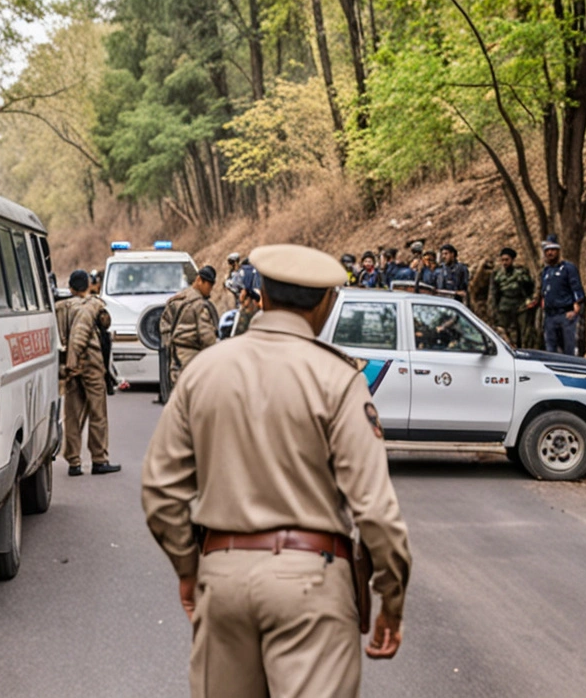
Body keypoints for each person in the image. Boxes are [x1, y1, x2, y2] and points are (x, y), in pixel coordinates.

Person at [141, 243, 412, 698]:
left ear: (260, 294)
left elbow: (160, 491)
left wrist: (190, 569)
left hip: (222, 577)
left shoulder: (206, 369)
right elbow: (376, 510)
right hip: (312, 582)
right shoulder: (339, 379)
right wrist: (392, 599)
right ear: (326, 303)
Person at [60, 270, 120, 476]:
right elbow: (104, 324)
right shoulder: (93, 306)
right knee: (98, 413)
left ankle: (74, 462)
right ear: (87, 285)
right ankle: (99, 459)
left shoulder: (61, 308)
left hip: (69, 367)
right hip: (91, 365)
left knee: (72, 415)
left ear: (70, 287)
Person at [160, 265, 220, 386]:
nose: (210, 289)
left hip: (176, 358)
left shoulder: (177, 300)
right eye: (209, 285)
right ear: (199, 280)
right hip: (193, 358)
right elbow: (206, 336)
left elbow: (164, 326)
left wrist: (170, 345)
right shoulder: (199, 305)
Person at [539, 235, 585, 355]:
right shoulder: (545, 271)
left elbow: (576, 288)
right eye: (547, 251)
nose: (550, 253)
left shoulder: (568, 268)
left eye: (552, 250)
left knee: (569, 350)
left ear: (558, 251)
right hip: (550, 316)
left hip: (565, 314)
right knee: (551, 351)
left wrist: (576, 308)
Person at [88, 270, 127, 394]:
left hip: (95, 337)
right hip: (101, 336)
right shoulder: (99, 303)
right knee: (104, 363)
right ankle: (109, 385)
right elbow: (106, 322)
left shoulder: (72, 305)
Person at [488, 249, 534, 346]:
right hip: (504, 305)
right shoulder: (497, 274)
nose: (505, 262)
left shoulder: (521, 272)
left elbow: (529, 287)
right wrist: (493, 307)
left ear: (512, 260)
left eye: (507, 260)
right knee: (503, 331)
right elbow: (494, 292)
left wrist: (529, 300)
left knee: (524, 332)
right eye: (503, 260)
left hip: (520, 305)